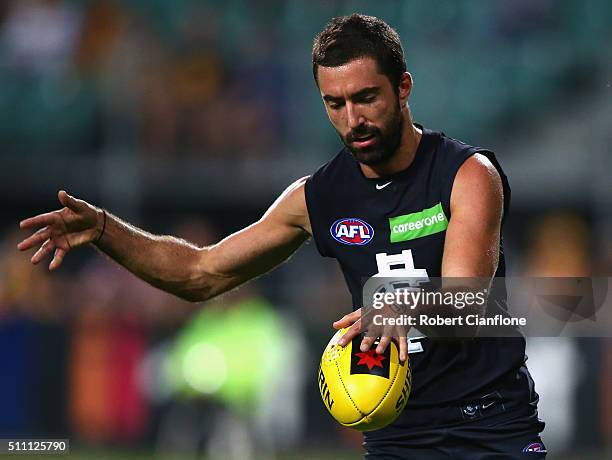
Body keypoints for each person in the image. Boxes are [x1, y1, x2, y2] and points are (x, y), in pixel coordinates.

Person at [18, 14, 546, 459]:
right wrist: (107, 231)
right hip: (397, 435)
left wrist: (401, 307)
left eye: (367, 98)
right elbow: (199, 273)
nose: (353, 119)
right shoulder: (316, 197)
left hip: (490, 428)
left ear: (403, 87)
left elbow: (469, 300)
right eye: (335, 103)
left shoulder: (466, 174)